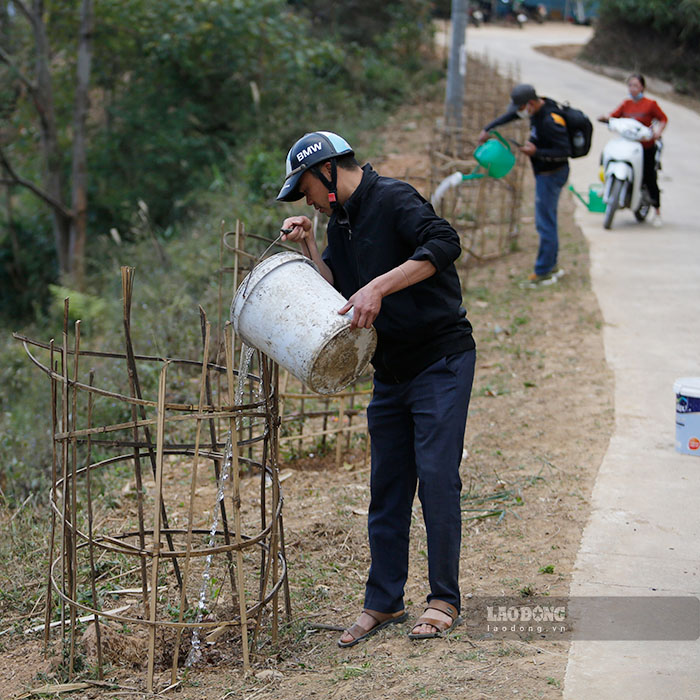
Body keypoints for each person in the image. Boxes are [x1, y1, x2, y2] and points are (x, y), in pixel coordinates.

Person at [276, 131, 476, 646]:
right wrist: (308, 246)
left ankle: (443, 600)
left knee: (435, 476)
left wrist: (381, 285)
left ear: (327, 172)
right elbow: (337, 291)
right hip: (390, 372)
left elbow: (445, 243)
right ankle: (383, 602)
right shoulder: (339, 222)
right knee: (387, 488)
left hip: (440, 359)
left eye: (306, 190)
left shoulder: (393, 198)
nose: (308, 201)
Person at [478, 84, 570, 287]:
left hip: (552, 174)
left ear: (530, 104)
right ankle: (550, 265)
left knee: (545, 223)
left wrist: (536, 153)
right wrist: (489, 127)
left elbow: (565, 151)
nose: (519, 112)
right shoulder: (537, 108)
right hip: (545, 173)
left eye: (521, 108)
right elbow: (511, 116)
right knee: (547, 220)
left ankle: (544, 272)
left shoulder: (550, 120)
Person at [597, 73, 667, 226]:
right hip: (628, 144)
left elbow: (662, 119)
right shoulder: (626, 104)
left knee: (649, 176)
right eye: (630, 85)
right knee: (607, 153)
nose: (633, 89)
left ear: (642, 87)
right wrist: (605, 117)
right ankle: (607, 185)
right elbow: (613, 116)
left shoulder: (650, 104)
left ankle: (657, 211)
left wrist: (658, 131)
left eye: (636, 85)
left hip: (645, 147)